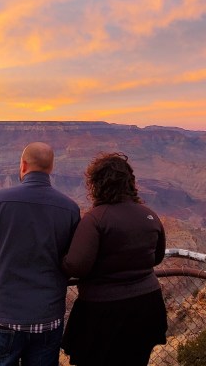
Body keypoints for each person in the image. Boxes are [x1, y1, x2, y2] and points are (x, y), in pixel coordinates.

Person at [0, 142, 80, 366]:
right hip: (47, 317)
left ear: (23, 165)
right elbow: (73, 260)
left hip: (3, 315)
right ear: (51, 168)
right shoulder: (70, 208)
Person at [62, 152, 167, 366]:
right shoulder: (149, 215)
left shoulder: (96, 219)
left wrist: (58, 259)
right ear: (130, 182)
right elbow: (157, 258)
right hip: (147, 305)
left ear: (96, 184)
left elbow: (77, 266)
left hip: (105, 313)